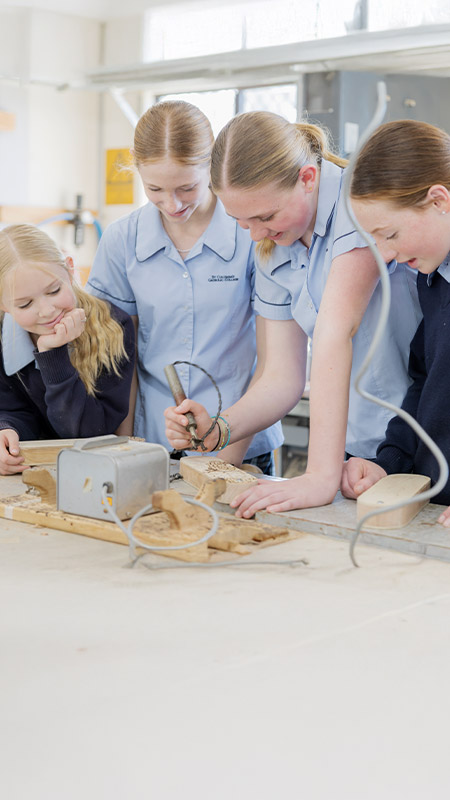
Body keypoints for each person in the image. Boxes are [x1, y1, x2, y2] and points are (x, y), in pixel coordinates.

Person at [165, 111, 422, 516]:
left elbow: (335, 333)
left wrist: (317, 478)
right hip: (356, 453)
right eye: (240, 221)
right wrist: (221, 428)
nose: (254, 234)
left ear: (307, 179)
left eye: (265, 217)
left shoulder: (356, 204)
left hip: (418, 436)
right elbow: (281, 376)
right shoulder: (273, 244)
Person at [86, 100, 283, 472]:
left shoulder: (254, 236)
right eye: (155, 188)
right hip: (153, 447)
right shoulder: (122, 241)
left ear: (211, 168)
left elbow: (273, 361)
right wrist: (127, 447)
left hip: (242, 445)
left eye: (187, 188)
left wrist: (224, 463)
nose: (172, 204)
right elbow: (118, 358)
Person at [337, 119, 450, 527]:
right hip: (433, 506)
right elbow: (426, 384)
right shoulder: (434, 281)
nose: (385, 256)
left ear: (439, 200)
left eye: (391, 234)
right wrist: (391, 462)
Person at [0, 224, 135, 475]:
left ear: (70, 270)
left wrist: (54, 357)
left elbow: (87, 433)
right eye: (25, 303)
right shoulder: (2, 337)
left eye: (54, 291)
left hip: (93, 471)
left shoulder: (113, 327)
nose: (47, 311)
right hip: (30, 473)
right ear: (4, 304)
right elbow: (13, 410)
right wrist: (6, 430)